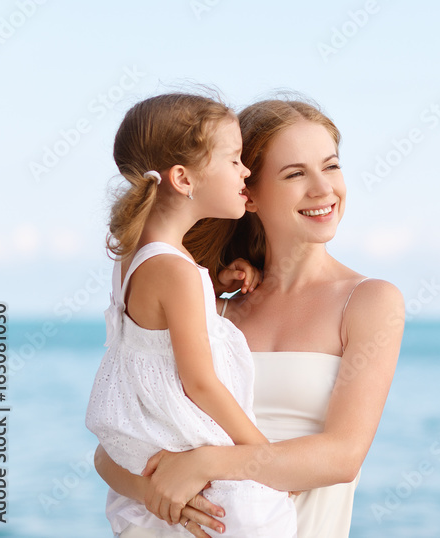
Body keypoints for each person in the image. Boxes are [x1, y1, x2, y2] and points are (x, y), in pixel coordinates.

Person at [94, 98, 405, 538]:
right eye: (295, 173)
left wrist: (205, 463)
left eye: (331, 166)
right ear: (249, 192)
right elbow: (110, 449)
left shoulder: (369, 301)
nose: (323, 189)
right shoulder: (210, 306)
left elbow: (343, 457)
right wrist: (155, 495)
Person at [85, 93, 298, 537]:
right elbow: (199, 382)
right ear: (183, 178)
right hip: (196, 456)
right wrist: (265, 457)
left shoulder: (136, 257)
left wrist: (213, 285)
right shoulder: (178, 273)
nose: (246, 172)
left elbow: (153, 327)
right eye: (235, 160)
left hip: (148, 455)